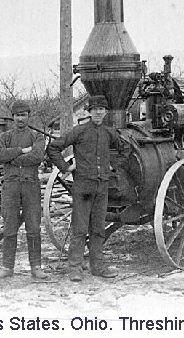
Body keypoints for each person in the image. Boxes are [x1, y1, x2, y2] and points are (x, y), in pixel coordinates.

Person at [46, 95, 120, 280]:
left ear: (105, 112)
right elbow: (53, 148)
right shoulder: (79, 131)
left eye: (101, 109)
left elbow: (124, 149)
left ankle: (98, 267)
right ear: (89, 111)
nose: (98, 112)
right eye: (95, 109)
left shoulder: (108, 133)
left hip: (102, 187)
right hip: (83, 188)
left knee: (98, 229)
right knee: (80, 229)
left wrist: (113, 166)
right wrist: (66, 167)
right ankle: (75, 268)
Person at [0, 100, 47, 279]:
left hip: (31, 185)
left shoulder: (37, 137)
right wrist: (21, 151)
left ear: (29, 116)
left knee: (33, 227)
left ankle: (36, 267)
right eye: (17, 115)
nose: (20, 119)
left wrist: (13, 158)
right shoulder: (4, 137)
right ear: (13, 117)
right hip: (11, 186)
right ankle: (7, 267)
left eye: (23, 115)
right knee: (9, 227)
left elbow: (37, 156)